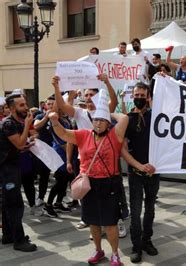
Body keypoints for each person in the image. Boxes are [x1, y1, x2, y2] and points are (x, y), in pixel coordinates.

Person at [48, 102, 129, 265]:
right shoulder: (84, 134)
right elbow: (63, 134)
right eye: (95, 120)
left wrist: (109, 112)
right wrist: (54, 121)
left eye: (102, 120)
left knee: (110, 222)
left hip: (108, 183)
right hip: (88, 184)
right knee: (93, 220)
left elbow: (125, 118)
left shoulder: (115, 135)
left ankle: (115, 254)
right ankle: (98, 250)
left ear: (108, 122)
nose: (98, 123)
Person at [120, 83, 159, 263]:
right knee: (135, 212)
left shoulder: (157, 116)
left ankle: (147, 240)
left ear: (148, 96)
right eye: (137, 94)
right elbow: (123, 149)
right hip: (135, 173)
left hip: (154, 172)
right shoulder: (127, 119)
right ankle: (136, 246)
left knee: (150, 209)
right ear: (132, 96)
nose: (140, 98)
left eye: (143, 95)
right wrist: (139, 166)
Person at [0, 94, 37, 252]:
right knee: (15, 204)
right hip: (7, 169)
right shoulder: (8, 123)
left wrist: (28, 143)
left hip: (12, 167)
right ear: (12, 108)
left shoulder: (16, 122)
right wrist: (28, 125)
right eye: (22, 105)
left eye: (25, 104)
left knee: (8, 203)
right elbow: (20, 143)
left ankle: (9, 235)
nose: (26, 107)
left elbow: (21, 144)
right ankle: (19, 241)